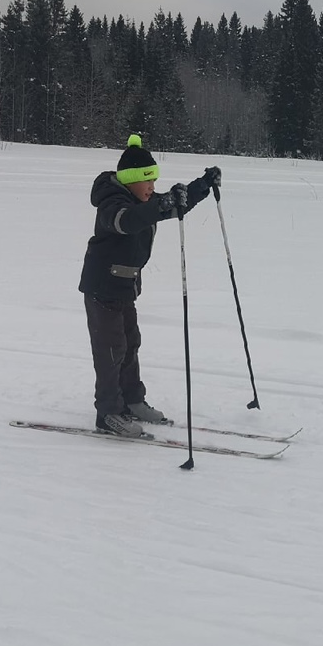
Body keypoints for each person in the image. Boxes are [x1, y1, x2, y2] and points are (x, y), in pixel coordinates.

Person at [79, 134, 220, 437]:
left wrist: (202, 186)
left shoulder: (142, 201)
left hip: (124, 289)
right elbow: (127, 221)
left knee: (130, 345)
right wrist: (160, 205)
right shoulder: (112, 203)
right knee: (111, 351)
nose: (152, 187)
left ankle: (132, 400)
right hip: (102, 288)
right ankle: (108, 413)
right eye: (147, 180)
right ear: (131, 180)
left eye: (154, 180)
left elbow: (170, 207)